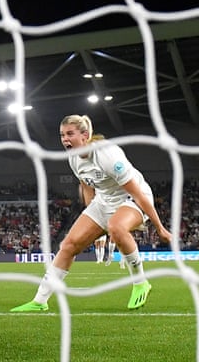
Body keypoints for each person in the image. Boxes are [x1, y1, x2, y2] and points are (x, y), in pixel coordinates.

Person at [10, 114, 172, 312]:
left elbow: (138, 194)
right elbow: (86, 186)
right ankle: (40, 301)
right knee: (68, 245)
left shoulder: (108, 156)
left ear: (85, 135)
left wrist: (160, 228)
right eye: (62, 135)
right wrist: (93, 220)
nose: (65, 139)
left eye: (70, 134)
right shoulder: (73, 158)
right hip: (102, 201)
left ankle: (140, 283)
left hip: (131, 199)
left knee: (116, 227)